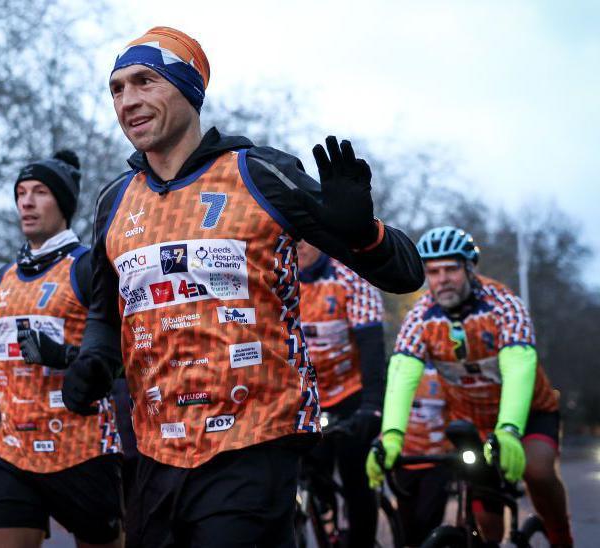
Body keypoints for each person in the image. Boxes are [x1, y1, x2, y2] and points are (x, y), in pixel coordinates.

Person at [59, 26, 424, 547]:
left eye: (144, 82)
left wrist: (363, 232)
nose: (127, 100)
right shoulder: (113, 202)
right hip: (155, 450)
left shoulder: (260, 174)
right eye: (116, 89)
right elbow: (105, 309)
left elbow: (405, 273)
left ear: (187, 89)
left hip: (255, 442)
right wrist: (93, 358)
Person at [367, 226, 573, 547]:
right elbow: (402, 373)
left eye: (451, 269)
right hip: (472, 422)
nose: (442, 279)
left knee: (538, 472)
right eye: (433, 272)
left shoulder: (503, 305)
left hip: (530, 413)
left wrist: (508, 429)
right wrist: (392, 435)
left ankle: (561, 535)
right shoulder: (421, 316)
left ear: (469, 268)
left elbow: (520, 367)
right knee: (488, 527)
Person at [0, 150, 124, 548]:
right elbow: (5, 353)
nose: (26, 201)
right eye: (21, 192)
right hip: (13, 450)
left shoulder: (90, 266)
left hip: (82, 449)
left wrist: (65, 356)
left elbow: (123, 352)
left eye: (40, 191)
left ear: (64, 203)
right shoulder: (0, 278)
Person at [296, 240, 386, 546]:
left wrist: (373, 405)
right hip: (308, 395)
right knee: (309, 470)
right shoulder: (279, 275)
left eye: (303, 238)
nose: (297, 246)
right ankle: (326, 526)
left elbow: (372, 348)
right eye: (290, 239)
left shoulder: (350, 278)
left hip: (352, 393)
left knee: (356, 475)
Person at [393, 364, 452, 546]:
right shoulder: (399, 368)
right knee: (405, 527)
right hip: (405, 459)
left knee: (427, 522)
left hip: (437, 461)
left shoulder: (448, 373)